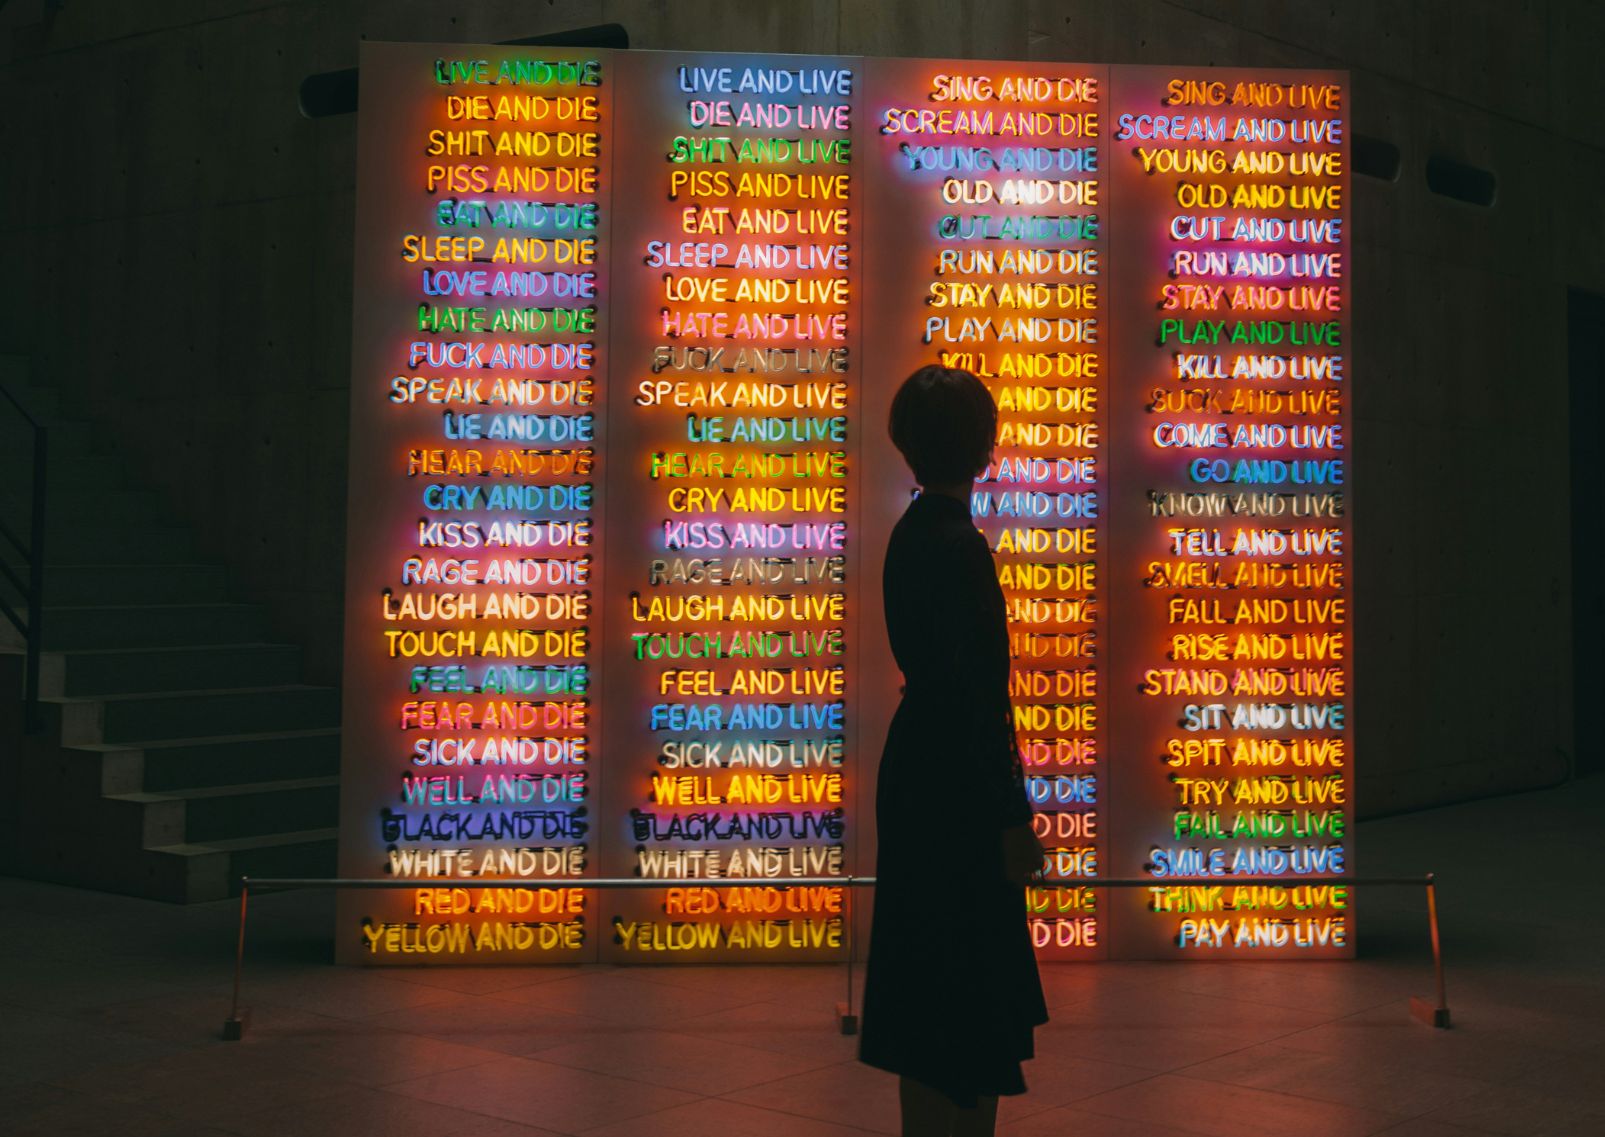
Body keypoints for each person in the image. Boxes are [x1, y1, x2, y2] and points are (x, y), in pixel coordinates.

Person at [858, 364, 1049, 1137]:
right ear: (985, 448)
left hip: (918, 772)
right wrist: (1013, 813)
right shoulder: (962, 547)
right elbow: (982, 696)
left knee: (922, 992)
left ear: (907, 446)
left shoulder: (910, 536)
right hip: (961, 790)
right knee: (968, 988)